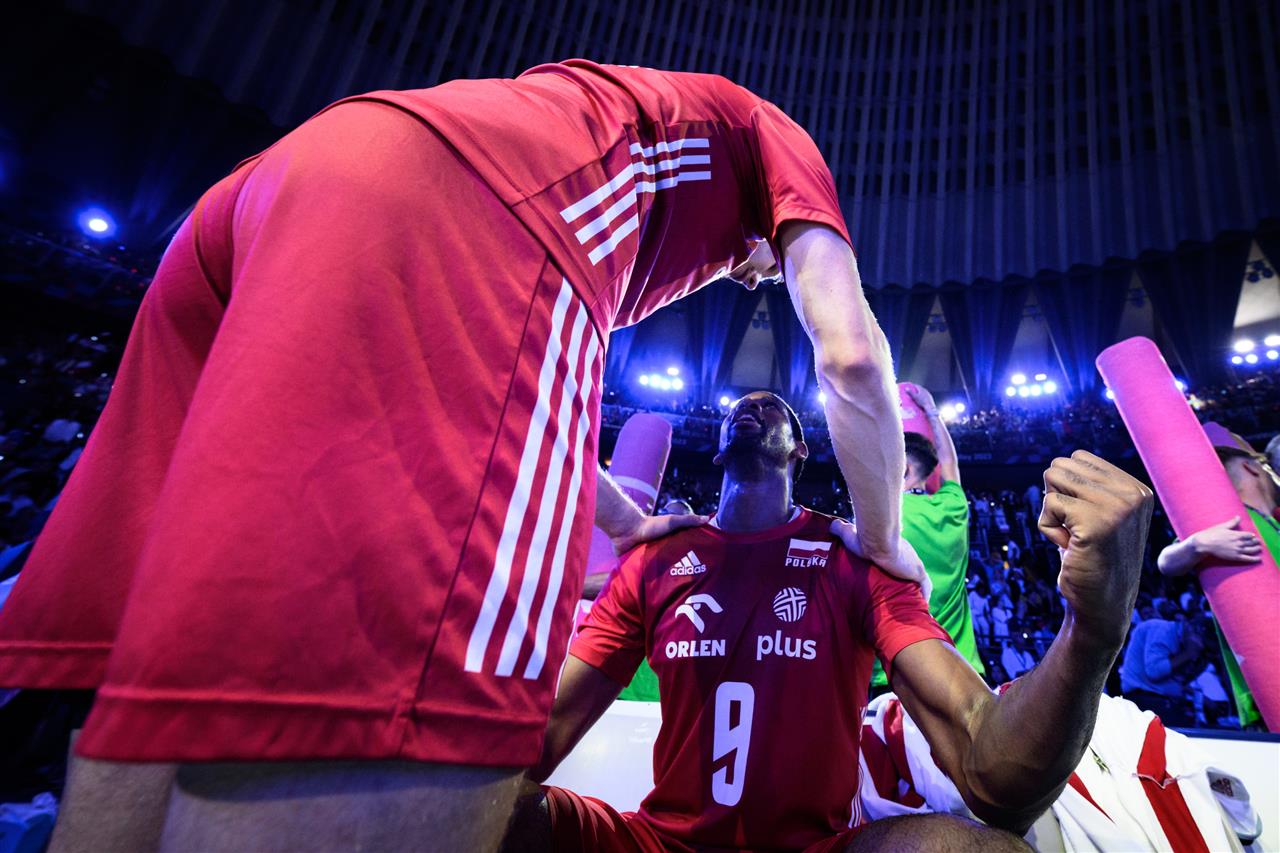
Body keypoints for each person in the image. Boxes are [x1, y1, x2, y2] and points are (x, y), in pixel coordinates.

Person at [0, 62, 920, 850]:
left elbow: (509, 393)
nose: (752, 275)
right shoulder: (770, 135)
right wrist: (883, 535)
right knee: (411, 715)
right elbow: (849, 354)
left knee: (157, 670)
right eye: (761, 266)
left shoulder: (609, 120)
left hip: (278, 184)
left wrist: (624, 519)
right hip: (468, 209)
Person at [506, 391, 1154, 851]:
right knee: (488, 802)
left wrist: (1092, 628)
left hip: (817, 847)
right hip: (660, 841)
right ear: (717, 450)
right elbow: (544, 735)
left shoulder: (852, 560)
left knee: (982, 849)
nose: (752, 406)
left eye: (774, 408)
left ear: (801, 450)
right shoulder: (656, 562)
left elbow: (994, 773)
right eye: (740, 407)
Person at [870, 384, 985, 693]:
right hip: (963, 669)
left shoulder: (884, 513)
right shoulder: (954, 506)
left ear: (903, 468)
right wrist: (931, 410)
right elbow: (950, 464)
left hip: (897, 672)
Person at [1156, 445, 1277, 728]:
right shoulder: (1231, 521)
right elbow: (1166, 561)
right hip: (1267, 694)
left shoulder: (1272, 524)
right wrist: (1197, 545)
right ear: (1251, 468)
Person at [1119, 601, 1204, 727]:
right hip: (1147, 701)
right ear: (1189, 627)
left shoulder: (1178, 638)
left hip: (1159, 701)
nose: (1200, 646)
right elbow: (1154, 671)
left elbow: (1180, 679)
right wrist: (1187, 654)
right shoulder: (1160, 629)